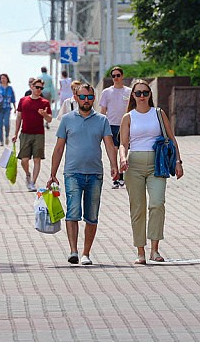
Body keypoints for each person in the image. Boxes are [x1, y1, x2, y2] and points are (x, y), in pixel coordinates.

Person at [46, 83, 119, 265]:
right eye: (83, 97)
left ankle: (86, 253)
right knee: (73, 212)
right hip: (72, 173)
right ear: (76, 98)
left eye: (90, 97)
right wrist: (52, 173)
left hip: (95, 174)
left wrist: (114, 165)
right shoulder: (67, 119)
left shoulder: (102, 120)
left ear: (94, 98)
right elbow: (59, 148)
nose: (86, 100)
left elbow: (109, 145)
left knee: (91, 215)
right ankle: (73, 251)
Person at [118, 79, 183, 265]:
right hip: (134, 165)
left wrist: (178, 161)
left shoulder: (158, 113)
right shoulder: (128, 117)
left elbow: (171, 138)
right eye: (137, 93)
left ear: (150, 95)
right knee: (137, 208)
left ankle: (155, 249)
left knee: (157, 203)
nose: (141, 96)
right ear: (133, 96)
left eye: (145, 93)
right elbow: (123, 144)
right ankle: (140, 251)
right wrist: (122, 158)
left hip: (157, 163)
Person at [12, 78, 52, 191]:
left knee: (37, 159)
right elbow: (19, 117)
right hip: (25, 133)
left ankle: (33, 182)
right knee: (24, 160)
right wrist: (15, 133)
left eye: (41, 88)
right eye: (37, 87)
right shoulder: (23, 100)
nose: (39, 90)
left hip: (39, 134)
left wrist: (44, 114)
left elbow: (49, 120)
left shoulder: (45, 103)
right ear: (32, 87)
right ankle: (28, 174)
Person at [99, 66, 132, 189]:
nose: (116, 78)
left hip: (125, 125)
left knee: (124, 151)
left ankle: (122, 176)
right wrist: (101, 126)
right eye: (113, 76)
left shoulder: (129, 91)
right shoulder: (106, 92)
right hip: (111, 125)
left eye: (118, 75)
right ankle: (115, 176)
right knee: (113, 151)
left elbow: (132, 109)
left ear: (122, 76)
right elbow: (103, 110)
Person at [0, 73, 16, 146]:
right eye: (1, 78)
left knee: (7, 123)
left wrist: (15, 108)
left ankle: (7, 135)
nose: (3, 80)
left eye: (4, 78)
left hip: (7, 108)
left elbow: (13, 99)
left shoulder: (10, 89)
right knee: (0, 124)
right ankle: (1, 140)